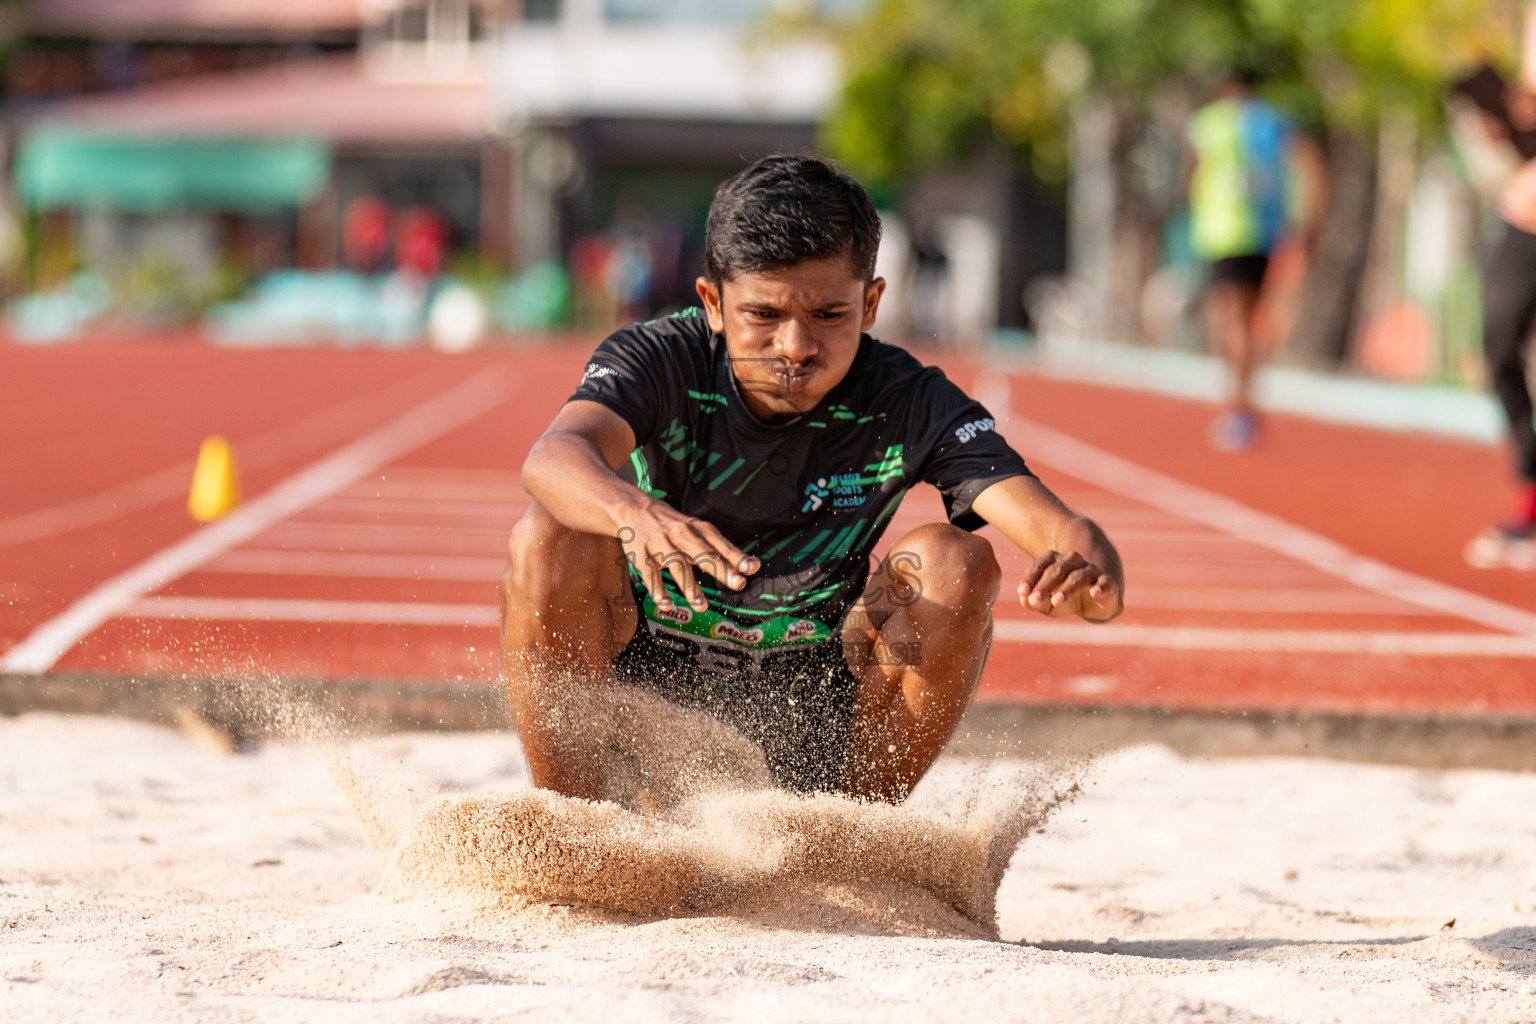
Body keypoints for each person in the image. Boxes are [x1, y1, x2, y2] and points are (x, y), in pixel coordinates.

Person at [500, 154, 1124, 804]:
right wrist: (632, 511)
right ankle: (577, 828)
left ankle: (847, 845)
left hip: (820, 687)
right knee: (551, 533)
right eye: (764, 315)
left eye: (829, 315)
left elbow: (1059, 530)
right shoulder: (662, 356)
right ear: (713, 303)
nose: (796, 346)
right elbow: (552, 457)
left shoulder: (910, 400)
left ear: (872, 302)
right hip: (650, 666)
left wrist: (1089, 575)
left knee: (957, 561)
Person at [1185, 72, 1314, 451]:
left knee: (1232, 320)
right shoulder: (1271, 121)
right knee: (1243, 318)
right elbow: (1307, 161)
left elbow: (1190, 173)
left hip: (1221, 232)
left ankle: (1238, 406)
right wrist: (1305, 216)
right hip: (1264, 230)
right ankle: (1242, 398)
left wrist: (1188, 206)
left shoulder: (1208, 122)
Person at [1466, 4, 1536, 567]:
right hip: (1523, 221)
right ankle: (1532, 494)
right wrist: (1510, 123)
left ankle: (1530, 507)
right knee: (1498, 349)